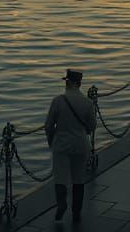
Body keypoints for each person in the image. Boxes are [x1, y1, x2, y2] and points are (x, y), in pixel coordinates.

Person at [45, 69, 96, 223]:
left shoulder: (58, 101)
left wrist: (51, 142)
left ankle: (61, 205)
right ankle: (76, 212)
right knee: (78, 180)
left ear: (69, 83)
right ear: (79, 84)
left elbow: (48, 126)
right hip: (80, 144)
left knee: (60, 178)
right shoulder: (87, 103)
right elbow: (92, 126)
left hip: (61, 144)